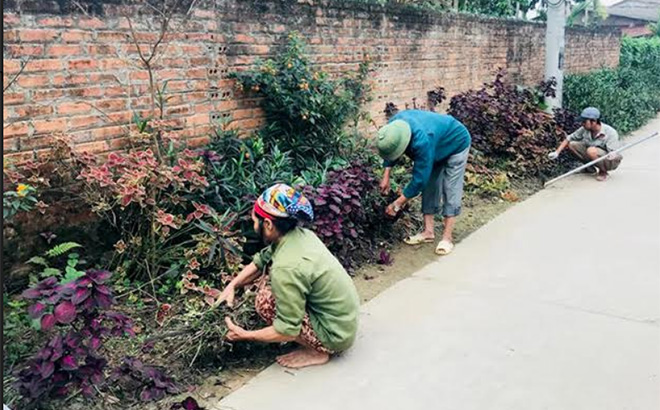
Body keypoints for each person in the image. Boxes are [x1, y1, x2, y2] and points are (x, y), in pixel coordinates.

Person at [215, 184, 360, 369]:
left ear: (267, 224)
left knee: (265, 301)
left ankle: (318, 351)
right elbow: (261, 260)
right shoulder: (299, 235)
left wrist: (245, 335)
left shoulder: (286, 267)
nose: (253, 226)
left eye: (254, 221)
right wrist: (232, 286)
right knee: (271, 287)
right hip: (343, 321)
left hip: (335, 336)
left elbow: (287, 331)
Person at [377, 110, 471, 256]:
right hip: (436, 144)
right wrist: (386, 175)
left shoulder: (422, 141)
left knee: (450, 188)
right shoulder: (393, 127)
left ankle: (447, 238)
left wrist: (397, 204)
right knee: (430, 186)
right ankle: (428, 232)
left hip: (456, 142)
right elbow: (392, 149)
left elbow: (419, 180)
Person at [548, 107, 622, 182]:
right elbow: (568, 138)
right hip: (593, 153)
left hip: (610, 161)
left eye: (584, 122)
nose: (582, 124)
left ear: (593, 121)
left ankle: (603, 171)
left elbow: (613, 153)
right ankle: (590, 168)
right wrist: (557, 152)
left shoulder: (610, 132)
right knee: (572, 144)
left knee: (591, 150)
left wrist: (613, 154)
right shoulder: (584, 129)